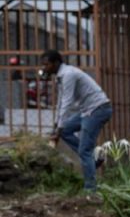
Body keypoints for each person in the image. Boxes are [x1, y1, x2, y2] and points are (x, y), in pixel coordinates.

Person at [43, 50, 112, 192]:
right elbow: (60, 103)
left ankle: (90, 190)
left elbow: (67, 103)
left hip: (97, 110)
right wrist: (57, 127)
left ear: (56, 63)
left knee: (84, 150)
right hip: (87, 111)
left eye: (47, 64)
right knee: (66, 131)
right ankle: (95, 160)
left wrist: (58, 131)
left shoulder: (68, 75)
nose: (45, 68)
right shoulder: (61, 77)